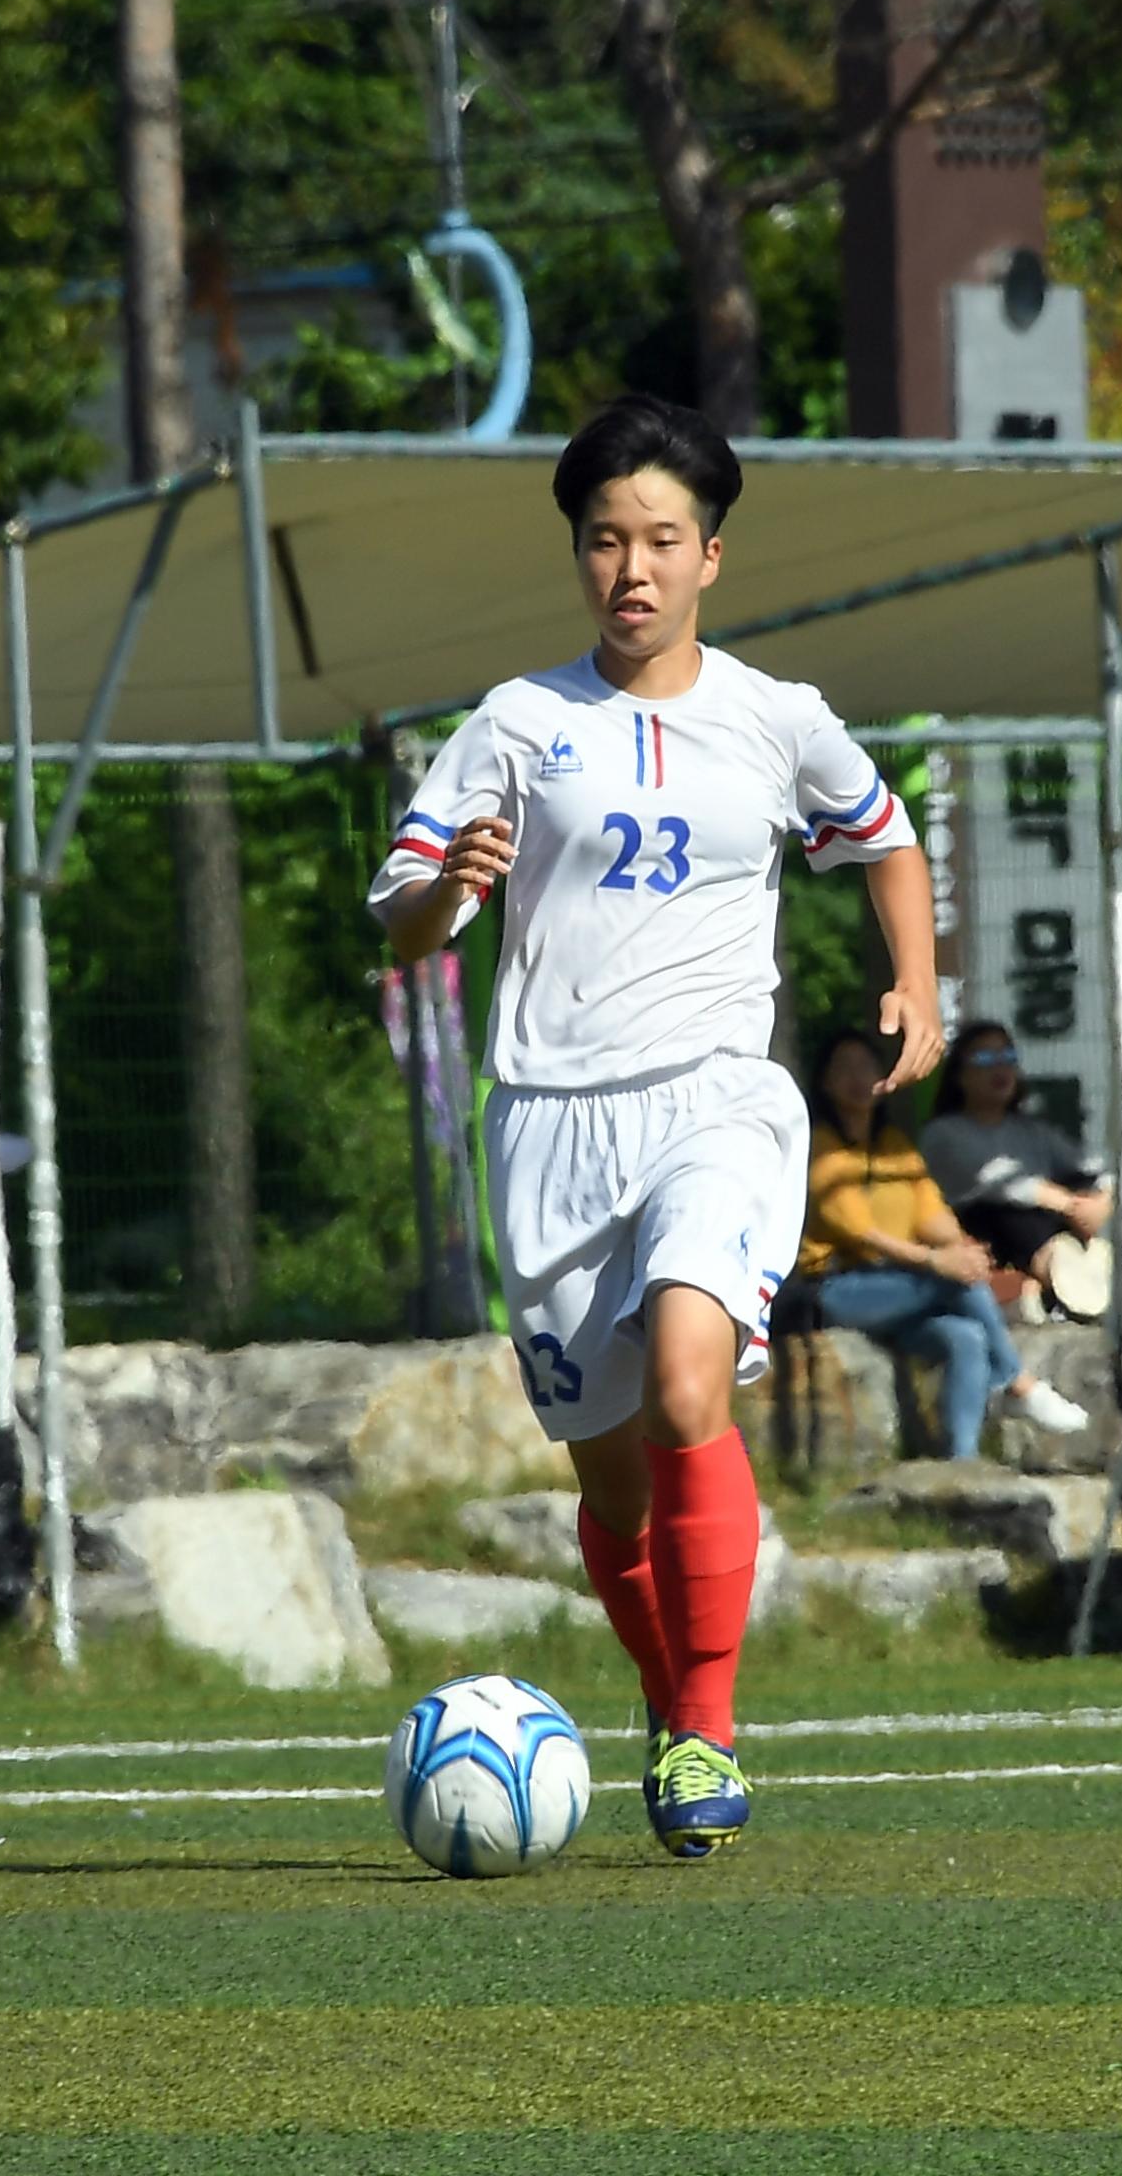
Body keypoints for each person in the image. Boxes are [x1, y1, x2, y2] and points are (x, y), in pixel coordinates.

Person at [368, 392, 933, 1859]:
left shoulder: (776, 719)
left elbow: (884, 837)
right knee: (613, 1488)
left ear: (711, 558)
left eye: (662, 539)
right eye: (607, 539)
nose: (634, 567)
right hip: (550, 1124)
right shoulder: (518, 722)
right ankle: (669, 1693)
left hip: (718, 1104)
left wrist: (915, 986)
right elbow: (398, 926)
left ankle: (708, 1727)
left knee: (694, 1383)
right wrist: (452, 887)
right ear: (578, 555)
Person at [800, 1026, 1095, 1459]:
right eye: (845, 1068)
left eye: (867, 1066)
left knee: (966, 1338)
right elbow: (864, 1233)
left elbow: (931, 1214)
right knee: (953, 1282)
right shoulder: (819, 1149)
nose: (858, 1077)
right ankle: (1019, 1384)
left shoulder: (894, 1146)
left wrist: (966, 1251)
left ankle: (961, 1461)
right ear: (824, 1083)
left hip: (899, 1289)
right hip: (837, 1288)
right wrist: (939, 1263)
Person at [916, 1017, 1115, 1318]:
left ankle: (1061, 1279)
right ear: (959, 1075)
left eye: (1007, 1057)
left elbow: (1091, 1165)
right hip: (975, 1232)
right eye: (985, 1058)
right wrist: (1069, 1205)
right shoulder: (943, 1133)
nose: (1000, 1067)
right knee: (1008, 1213)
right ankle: (1059, 1276)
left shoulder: (1032, 1130)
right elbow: (996, 1180)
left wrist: (1100, 1202)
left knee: (1058, 1200)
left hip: (1043, 1226)